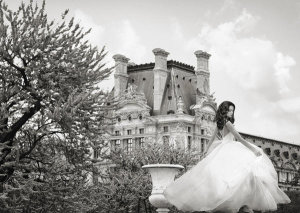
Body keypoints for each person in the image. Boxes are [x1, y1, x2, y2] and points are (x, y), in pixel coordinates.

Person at [163, 101, 291, 213]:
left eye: (232, 110)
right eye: (229, 110)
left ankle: (232, 203)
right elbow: (239, 138)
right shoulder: (228, 123)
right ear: (225, 111)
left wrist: (205, 153)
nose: (231, 112)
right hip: (230, 147)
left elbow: (212, 139)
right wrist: (253, 149)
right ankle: (243, 203)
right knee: (243, 175)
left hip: (221, 149)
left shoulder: (219, 123)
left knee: (226, 178)